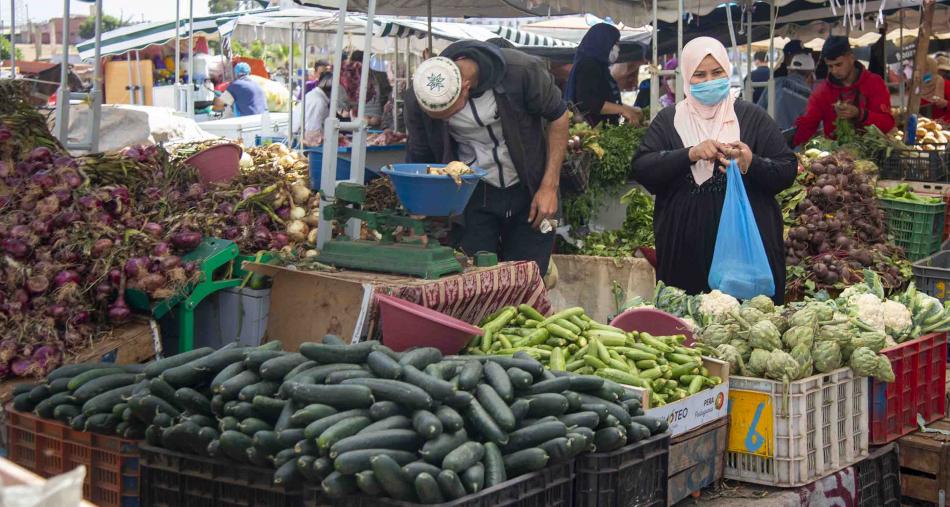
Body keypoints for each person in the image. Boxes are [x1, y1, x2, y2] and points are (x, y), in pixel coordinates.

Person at [631, 36, 797, 303]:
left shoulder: (752, 117)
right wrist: (690, 154)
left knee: (747, 323)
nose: (710, 81)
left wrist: (750, 162)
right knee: (688, 321)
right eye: (699, 74)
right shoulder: (669, 120)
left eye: (717, 72)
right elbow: (642, 167)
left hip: (746, 251)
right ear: (686, 76)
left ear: (727, 71)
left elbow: (787, 169)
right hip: (685, 250)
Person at [404, 41, 569, 276]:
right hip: (471, 193)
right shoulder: (419, 98)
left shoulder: (521, 71)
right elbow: (420, 156)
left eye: (446, 115)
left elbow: (559, 117)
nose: (441, 121)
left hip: (528, 187)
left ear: (466, 88)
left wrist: (549, 187)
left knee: (528, 278)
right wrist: (418, 217)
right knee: (473, 277)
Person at [792, 36, 895, 146]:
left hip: (872, 155)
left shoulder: (874, 83)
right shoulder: (822, 92)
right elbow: (807, 126)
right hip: (837, 158)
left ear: (851, 57)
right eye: (830, 66)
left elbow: (887, 124)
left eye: (839, 64)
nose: (835, 71)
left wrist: (859, 113)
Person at [563, 23, 640, 126]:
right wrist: (622, 110)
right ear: (604, 42)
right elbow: (589, 102)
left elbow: (602, 99)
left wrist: (629, 109)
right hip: (591, 131)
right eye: (616, 43)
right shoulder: (589, 65)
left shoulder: (599, 66)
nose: (618, 48)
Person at [757, 53, 815, 130]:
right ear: (810, 74)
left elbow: (759, 110)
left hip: (770, 133)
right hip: (793, 137)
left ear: (790, 70)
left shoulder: (775, 83)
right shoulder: (810, 95)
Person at [920, 57, 950, 121]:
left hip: (944, 124)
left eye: (947, 71)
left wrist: (946, 103)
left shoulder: (946, 84)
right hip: (927, 123)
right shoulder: (919, 85)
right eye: (942, 71)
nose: (945, 74)